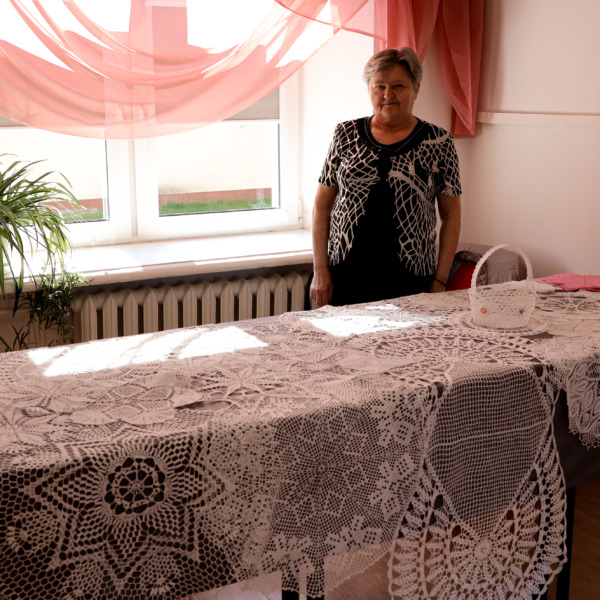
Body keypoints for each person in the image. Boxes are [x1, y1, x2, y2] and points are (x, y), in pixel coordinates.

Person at [309, 47, 462, 308]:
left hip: (411, 279)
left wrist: (440, 280)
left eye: (398, 86)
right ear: (369, 89)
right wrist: (320, 270)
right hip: (346, 275)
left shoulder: (439, 142)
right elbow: (321, 206)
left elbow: (451, 216)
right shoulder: (345, 134)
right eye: (379, 86)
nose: (388, 94)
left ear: (416, 89)